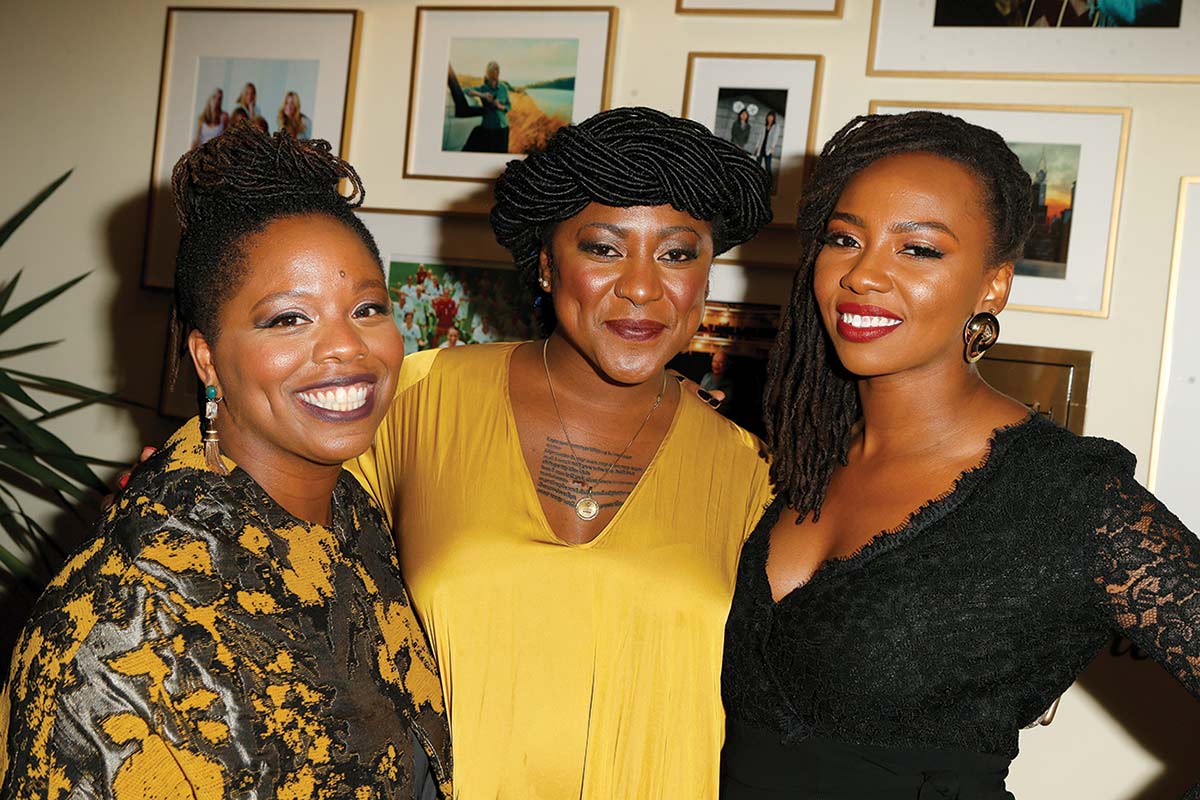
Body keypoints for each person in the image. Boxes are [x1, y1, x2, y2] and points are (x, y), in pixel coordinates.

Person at [720, 111, 1200, 798]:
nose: (863, 275)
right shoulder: (797, 455)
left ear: (993, 284)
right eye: (845, 239)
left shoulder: (1065, 496)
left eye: (918, 249)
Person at [0, 126, 452, 798]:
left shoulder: (354, 516)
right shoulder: (124, 623)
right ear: (207, 359)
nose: (346, 347)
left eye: (366, 308)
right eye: (288, 319)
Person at [348, 106, 774, 797]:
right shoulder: (420, 401)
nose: (642, 287)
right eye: (604, 248)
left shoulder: (750, 471)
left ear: (707, 275)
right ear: (547, 266)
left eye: (676, 254)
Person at [446, 62, 510, 153]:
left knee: (502, 154)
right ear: (488, 74)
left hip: (503, 127)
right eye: (495, 69)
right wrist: (482, 95)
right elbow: (466, 90)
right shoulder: (483, 88)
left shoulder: (503, 88)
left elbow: (508, 106)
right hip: (489, 127)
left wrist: (500, 106)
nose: (497, 71)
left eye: (498, 69)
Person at [754, 110, 781, 187]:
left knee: (768, 167)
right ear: (767, 118)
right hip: (761, 148)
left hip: (768, 149)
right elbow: (760, 138)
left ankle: (770, 183)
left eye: (771, 117)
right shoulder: (764, 126)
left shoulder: (776, 126)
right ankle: (757, 180)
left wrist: (771, 148)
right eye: (769, 117)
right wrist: (756, 147)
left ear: (773, 118)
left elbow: (775, 138)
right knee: (757, 166)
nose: (770, 118)